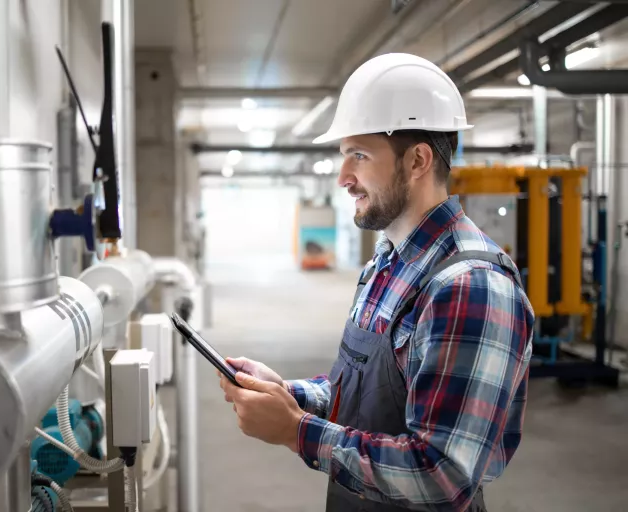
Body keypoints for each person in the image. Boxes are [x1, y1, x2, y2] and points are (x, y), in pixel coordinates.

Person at [218, 53, 535, 512]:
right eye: (344, 156)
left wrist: (294, 430)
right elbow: (365, 396)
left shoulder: (471, 286)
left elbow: (442, 476)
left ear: (418, 160)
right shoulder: (385, 264)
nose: (344, 178)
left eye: (359, 156)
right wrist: (288, 395)